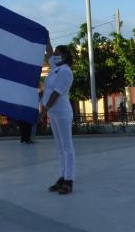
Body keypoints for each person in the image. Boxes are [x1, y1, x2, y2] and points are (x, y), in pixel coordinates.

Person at [42, 42, 76, 195]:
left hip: (61, 111)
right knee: (60, 147)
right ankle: (62, 176)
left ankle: (69, 180)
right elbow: (49, 53)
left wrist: (44, 109)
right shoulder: (55, 69)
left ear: (64, 56)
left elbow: (56, 93)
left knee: (67, 146)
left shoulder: (65, 71)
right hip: (53, 112)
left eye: (57, 53)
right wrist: (47, 39)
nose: (54, 55)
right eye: (54, 53)